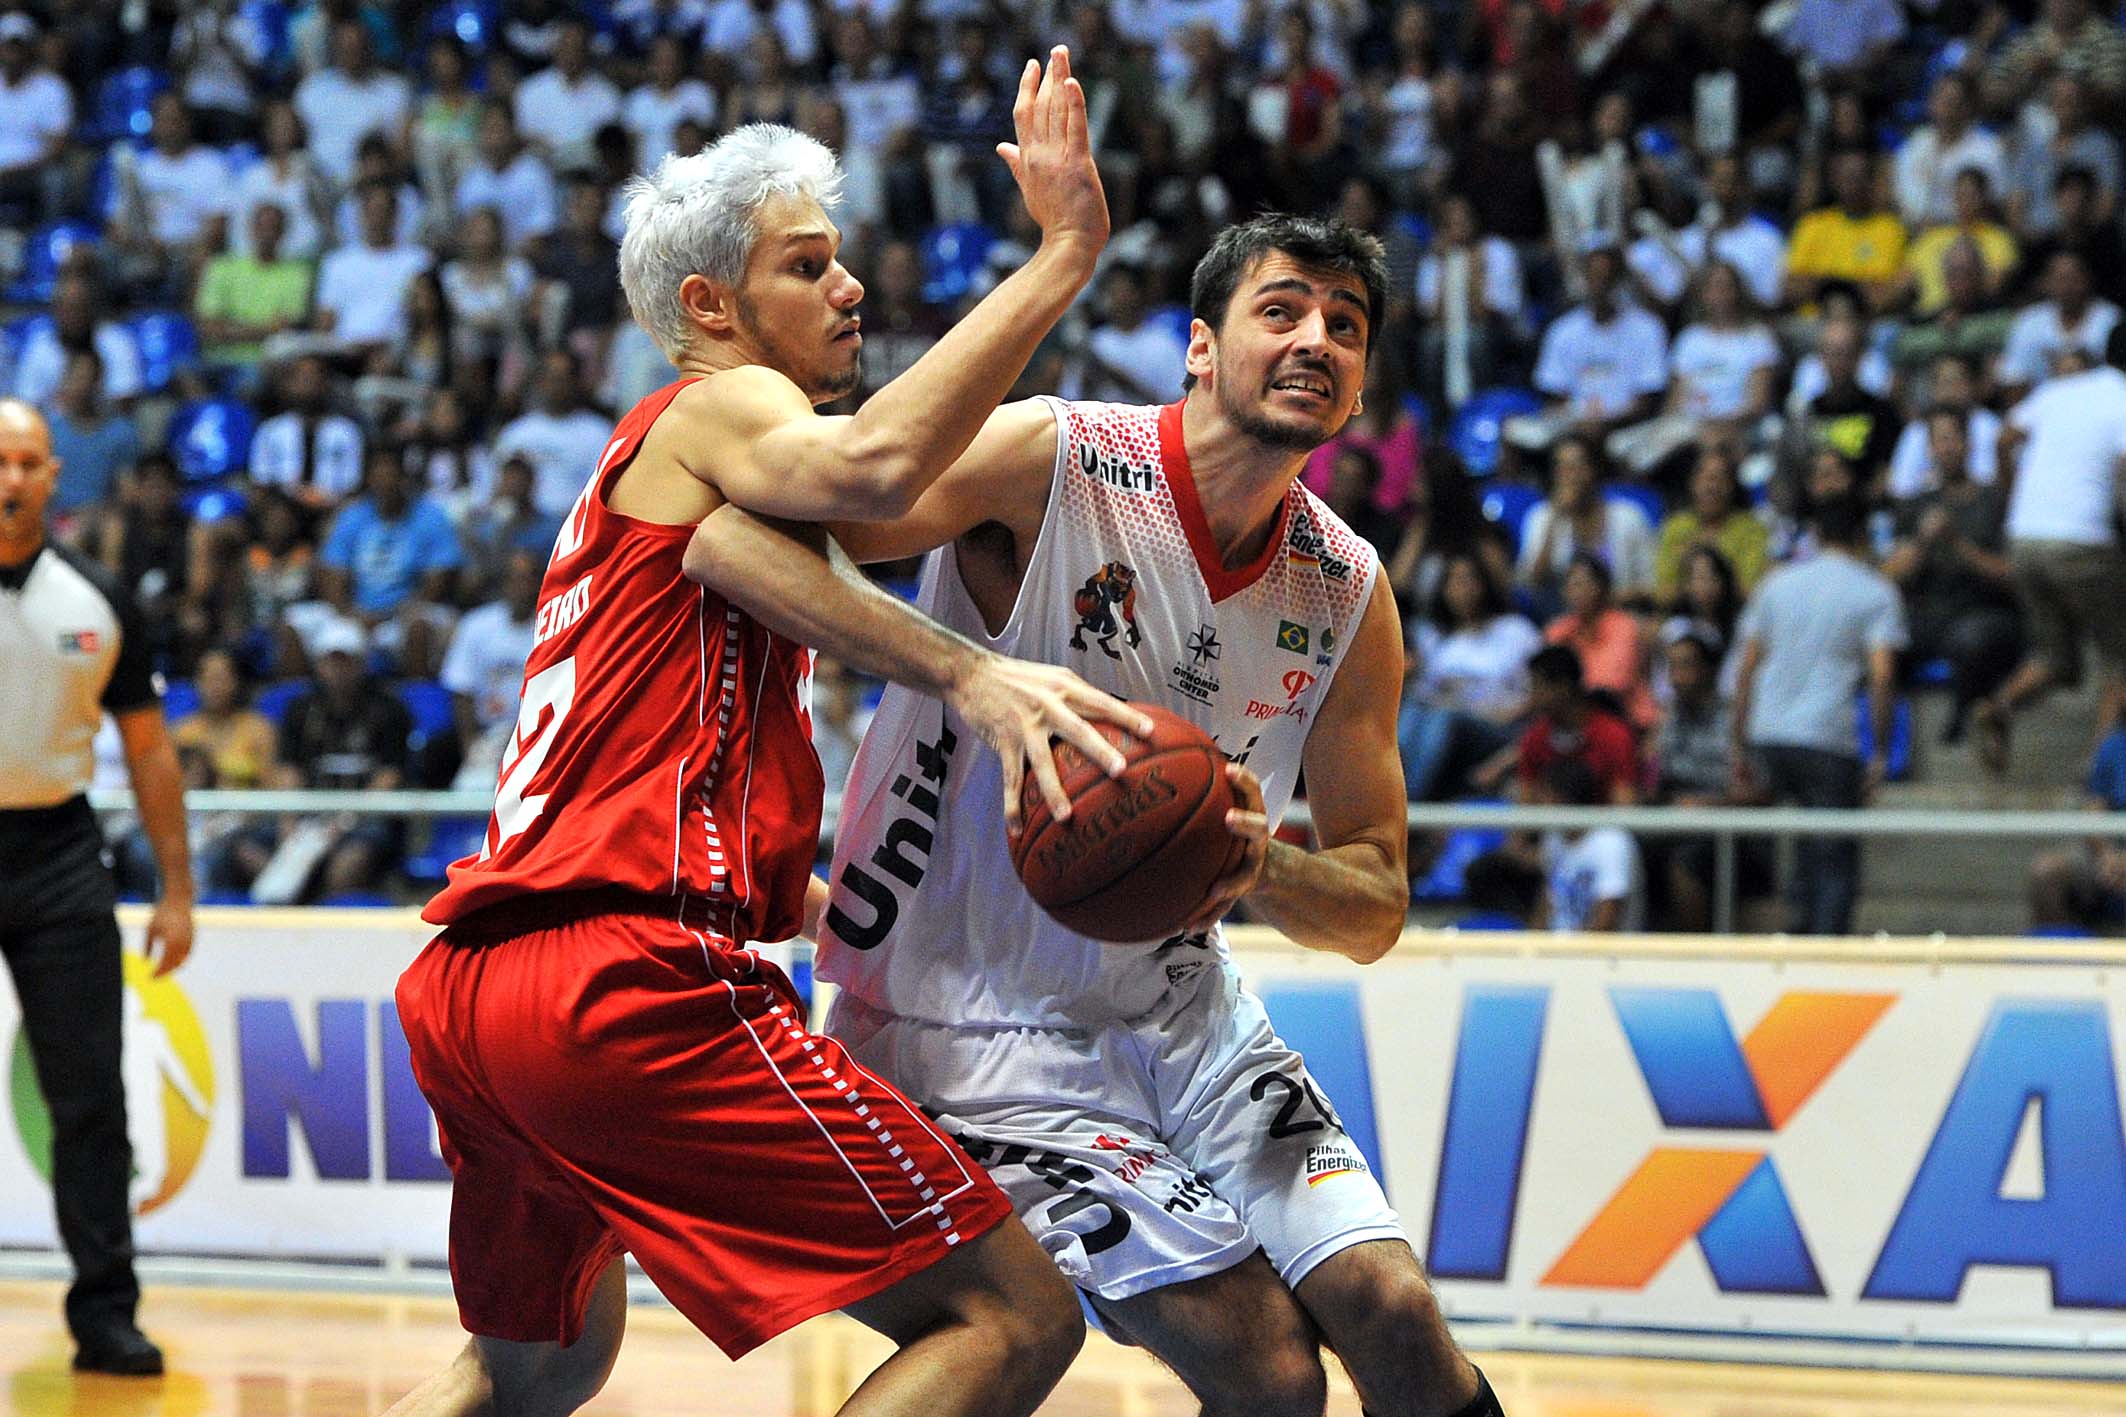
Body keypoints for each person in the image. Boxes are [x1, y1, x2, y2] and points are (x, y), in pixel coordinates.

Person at [386, 62, 1145, 1417]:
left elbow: (657, 747)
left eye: (841, 259)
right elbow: (869, 470)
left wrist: (806, 891)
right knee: (1012, 1316)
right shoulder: (717, 406)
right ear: (709, 308)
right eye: (808, 265)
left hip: (476, 987)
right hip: (616, 989)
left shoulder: (665, 487)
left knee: (536, 1368)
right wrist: (1065, 256)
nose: (848, 286)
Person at [785, 210, 1498, 1417]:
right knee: (1265, 1365)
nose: (1314, 338)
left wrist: (1253, 857)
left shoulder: (1347, 588)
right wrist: (959, 672)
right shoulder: (1052, 461)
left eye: (1344, 324)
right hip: (966, 1027)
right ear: (1200, 348)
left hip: (1183, 1011)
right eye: (1280, 310)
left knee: (1394, 1312)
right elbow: (819, 523)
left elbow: (1374, 903)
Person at [0, 397, 191, 1376]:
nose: (12, 478)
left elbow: (151, 754)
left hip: (59, 851)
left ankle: (105, 1311)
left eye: (28, 461)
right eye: (0, 460)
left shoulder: (98, 595)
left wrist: (177, 891)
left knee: (89, 1097)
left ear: (53, 474)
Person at [1732, 496, 1907, 935]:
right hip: (1826, 739)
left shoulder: (1776, 584)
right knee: (1833, 860)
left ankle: (1792, 936)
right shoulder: (1874, 592)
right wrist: (1881, 751)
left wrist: (1738, 739)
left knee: (1802, 852)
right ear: (1863, 537)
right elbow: (1882, 677)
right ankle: (1824, 957)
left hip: (1768, 733)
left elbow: (1748, 666)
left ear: (1814, 535)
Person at [1976, 345, 2126, 773]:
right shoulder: (2121, 395)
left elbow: (2003, 438)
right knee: (2121, 657)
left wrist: (2013, 496)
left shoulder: (2057, 393)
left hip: (2025, 539)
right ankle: (2099, 770)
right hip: (2082, 542)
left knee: (2055, 659)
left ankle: (1997, 708)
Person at [1882, 409, 2021, 744]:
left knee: (1971, 640)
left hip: (1985, 611)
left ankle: (1963, 720)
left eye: (1953, 438)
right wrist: (1922, 541)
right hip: (1929, 613)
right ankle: (1886, 744)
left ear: (1968, 444)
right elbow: (1890, 576)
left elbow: (2011, 575)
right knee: (1885, 639)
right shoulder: (1914, 505)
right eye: (1938, 440)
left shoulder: (1994, 500)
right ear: (1929, 449)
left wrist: (1957, 543)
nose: (1947, 447)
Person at [1401, 550, 1542, 801]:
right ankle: (1389, 794)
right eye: (1454, 582)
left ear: (1484, 584)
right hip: (1454, 719)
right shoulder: (1443, 643)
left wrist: (1504, 713)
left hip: (1500, 723)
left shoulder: (1516, 630)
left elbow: (1541, 691)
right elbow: (1430, 692)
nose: (1462, 589)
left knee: (1444, 718)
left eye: (1468, 580)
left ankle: (1411, 800)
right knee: (1414, 709)